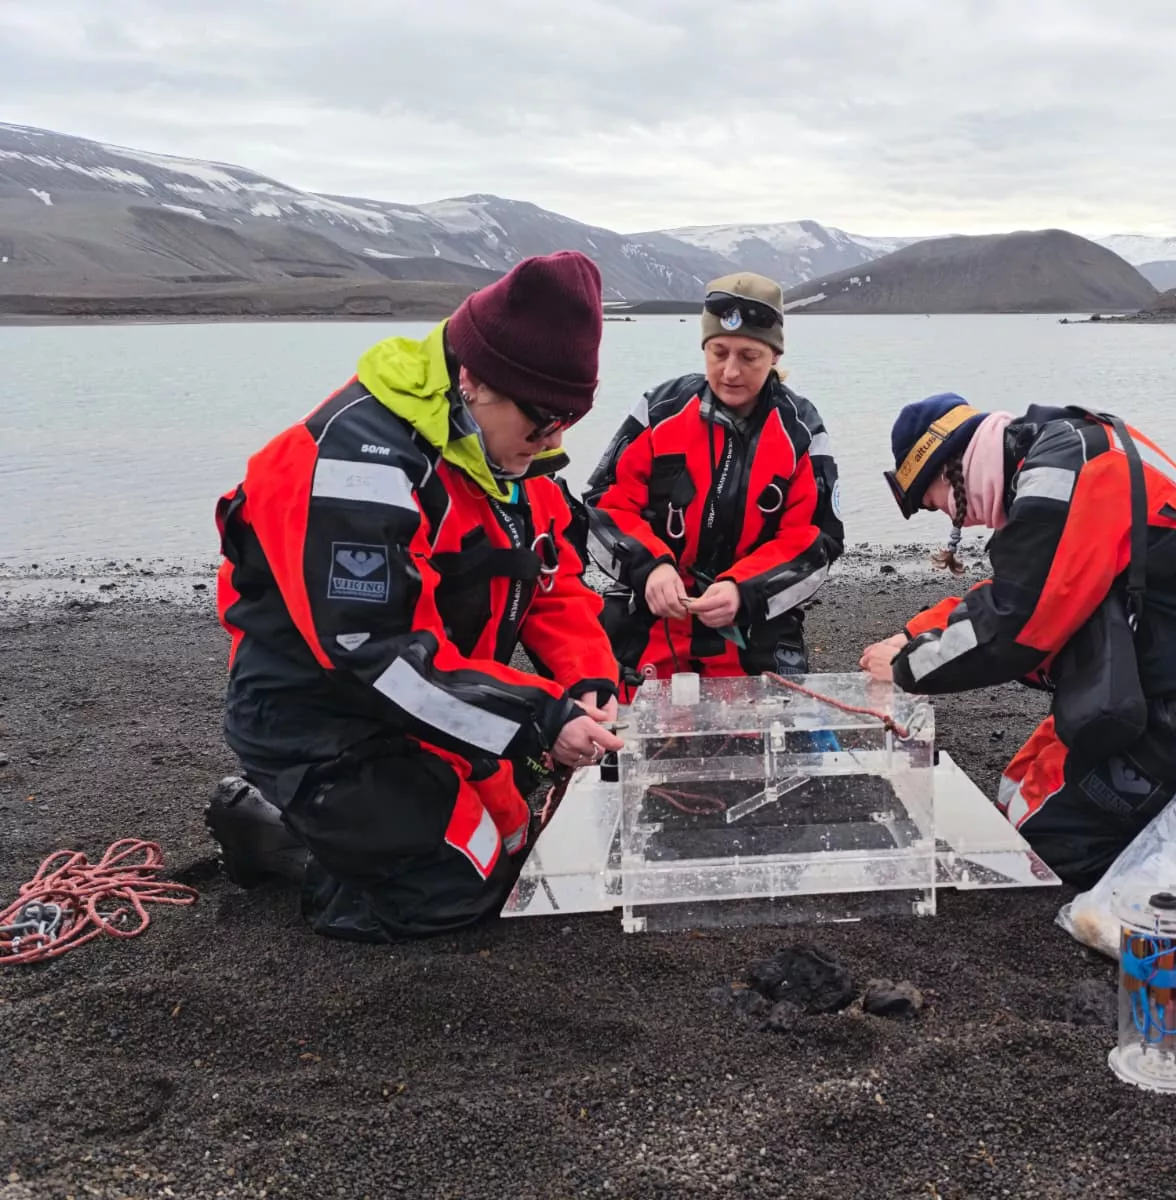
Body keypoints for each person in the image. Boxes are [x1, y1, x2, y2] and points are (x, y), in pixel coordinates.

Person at [205, 251, 626, 943]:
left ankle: (384, 816)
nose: (553, 440)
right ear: (475, 380)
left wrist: (587, 682)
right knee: (456, 885)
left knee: (513, 843)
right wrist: (543, 718)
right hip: (321, 717)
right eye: (543, 419)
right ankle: (269, 830)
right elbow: (377, 655)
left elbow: (555, 584)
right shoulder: (352, 464)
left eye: (569, 420)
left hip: (436, 705)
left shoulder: (513, 452)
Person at [860, 394, 1176, 885]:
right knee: (1015, 791)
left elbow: (1017, 626)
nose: (958, 520)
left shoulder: (1060, 473)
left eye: (940, 503)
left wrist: (908, 666)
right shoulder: (1064, 453)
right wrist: (914, 632)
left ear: (951, 466)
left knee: (1045, 837)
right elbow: (1033, 591)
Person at [583, 273, 845, 695]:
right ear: (704, 347)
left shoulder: (802, 429)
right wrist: (650, 568)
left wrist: (744, 591)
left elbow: (818, 543)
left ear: (774, 356)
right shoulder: (659, 410)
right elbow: (602, 508)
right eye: (718, 352)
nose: (731, 371)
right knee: (629, 748)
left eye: (750, 356)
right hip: (652, 623)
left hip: (753, 633)